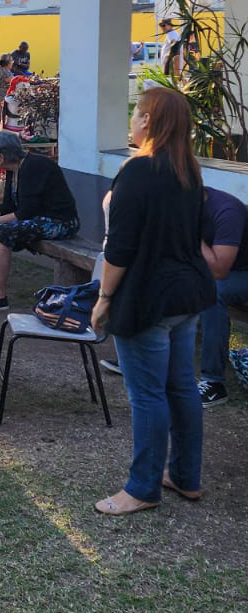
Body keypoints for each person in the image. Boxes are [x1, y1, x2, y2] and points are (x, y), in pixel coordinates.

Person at [92, 86, 214, 515]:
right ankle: (185, 476)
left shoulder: (139, 170)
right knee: (180, 387)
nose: (131, 120)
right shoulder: (188, 170)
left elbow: (119, 248)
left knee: (147, 394)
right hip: (186, 293)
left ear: (147, 121)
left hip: (149, 297)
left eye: (136, 114)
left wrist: (104, 298)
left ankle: (143, 487)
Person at [0, 130, 78, 312]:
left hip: (60, 222)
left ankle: (0, 297)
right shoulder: (13, 171)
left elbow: (24, 212)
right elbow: (7, 207)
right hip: (36, 219)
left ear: (2, 155)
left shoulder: (34, 166)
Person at [196, 187, 248, 408]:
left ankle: (214, 383)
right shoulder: (180, 206)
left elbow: (218, 270)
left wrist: (188, 234)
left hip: (240, 272)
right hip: (230, 271)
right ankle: (141, 357)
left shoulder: (226, 211)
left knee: (212, 290)